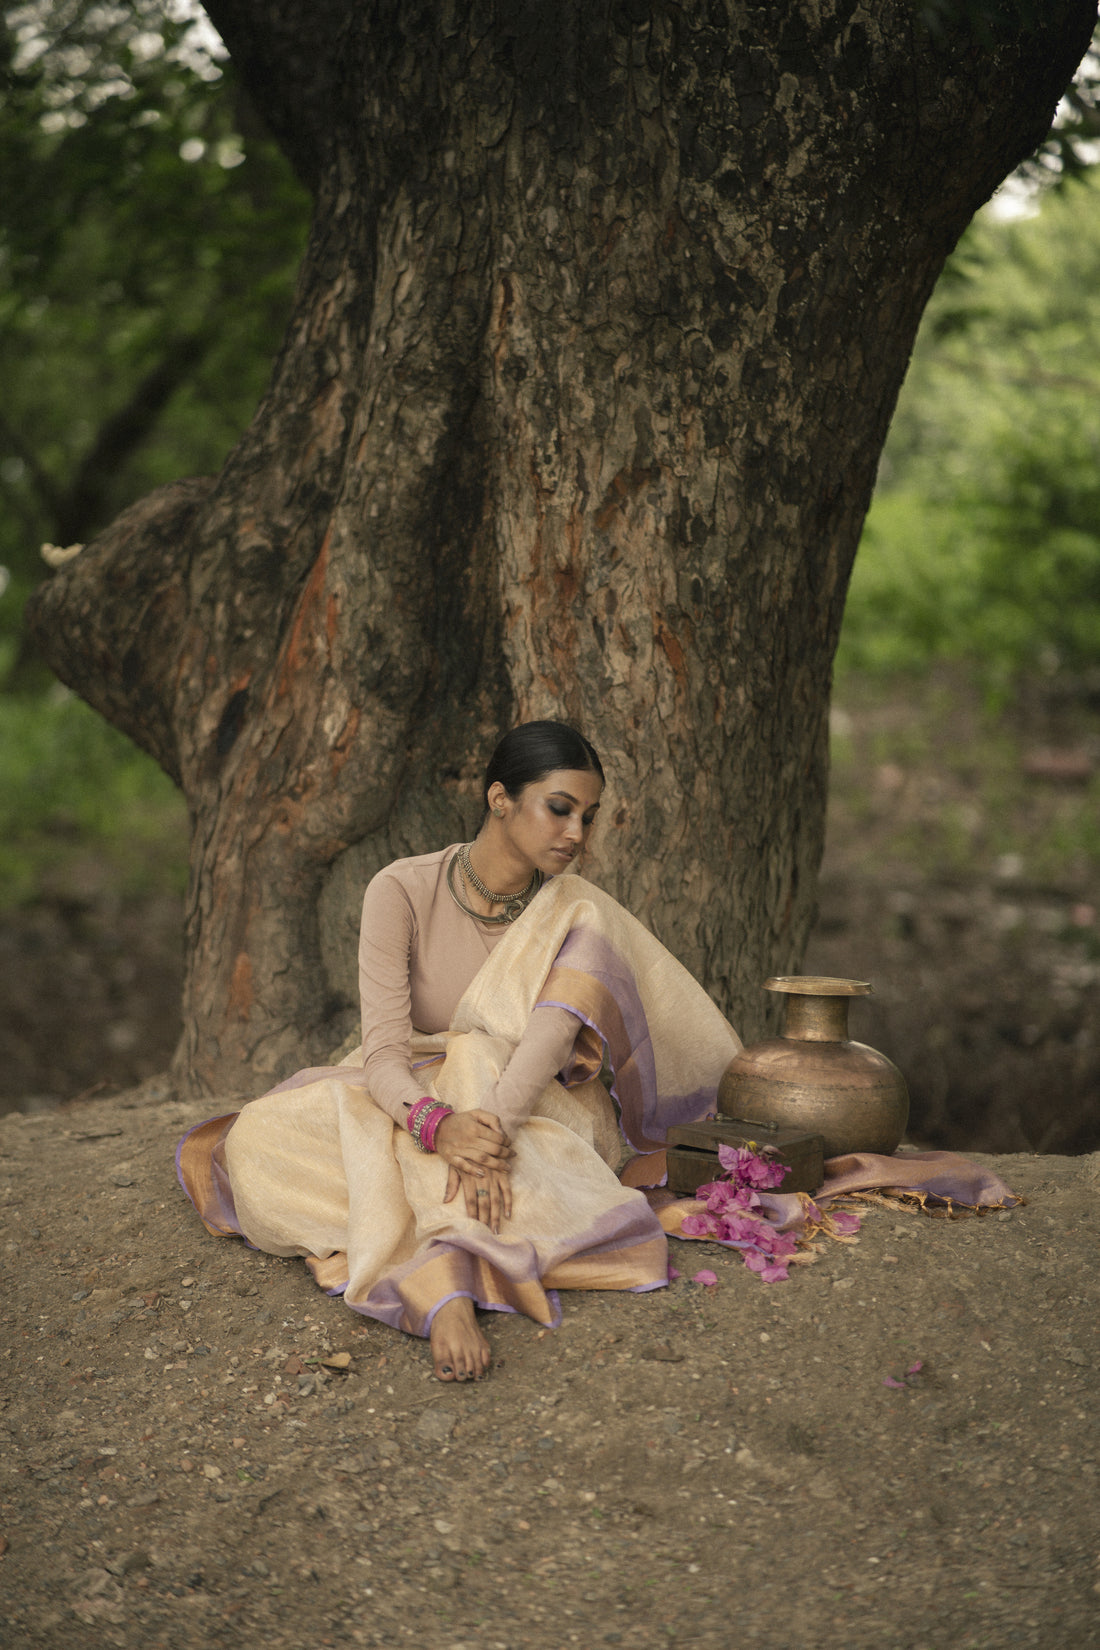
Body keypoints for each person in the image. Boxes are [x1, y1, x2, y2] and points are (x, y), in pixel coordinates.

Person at [177, 721, 741, 1382]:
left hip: (538, 1111)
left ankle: (443, 1277)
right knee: (257, 1143)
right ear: (499, 798)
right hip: (427, 1102)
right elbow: (383, 1054)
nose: (576, 835)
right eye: (559, 809)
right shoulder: (402, 890)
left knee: (474, 1053)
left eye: (588, 817)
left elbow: (544, 1046)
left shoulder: (577, 914)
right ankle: (474, 1223)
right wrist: (438, 1128)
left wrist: (486, 1134)